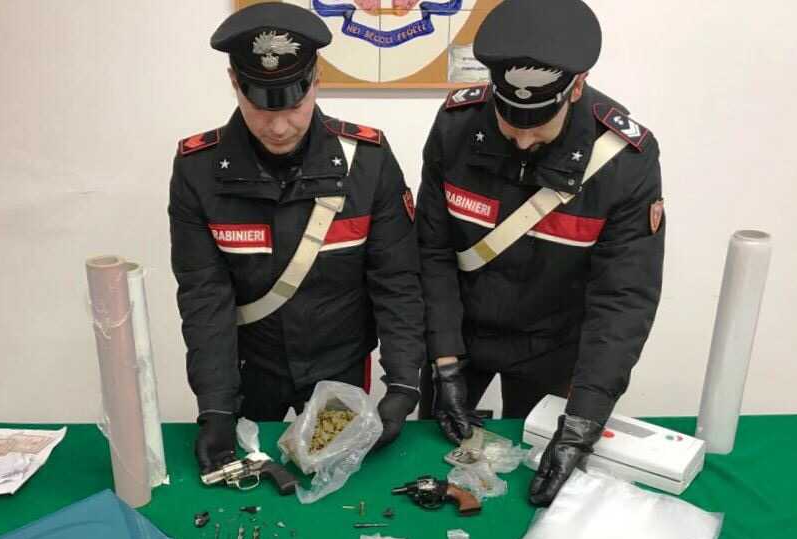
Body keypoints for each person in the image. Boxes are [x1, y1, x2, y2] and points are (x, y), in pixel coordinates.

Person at [417, 0, 665, 506]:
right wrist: (443, 360)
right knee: (433, 463)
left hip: (553, 345)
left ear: (576, 87)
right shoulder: (456, 125)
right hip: (458, 332)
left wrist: (583, 423)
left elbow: (623, 298)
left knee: (536, 477)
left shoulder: (622, 161)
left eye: (539, 125)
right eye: (511, 124)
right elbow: (433, 251)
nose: (524, 140)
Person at [170, 2, 424, 476]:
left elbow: (397, 280)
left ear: (316, 79)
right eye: (260, 108)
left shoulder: (367, 162)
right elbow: (204, 296)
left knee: (334, 481)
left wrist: (404, 383)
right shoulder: (197, 171)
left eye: (293, 105)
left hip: (340, 368)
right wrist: (216, 406)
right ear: (234, 82)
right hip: (250, 371)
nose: (279, 126)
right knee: (250, 479)